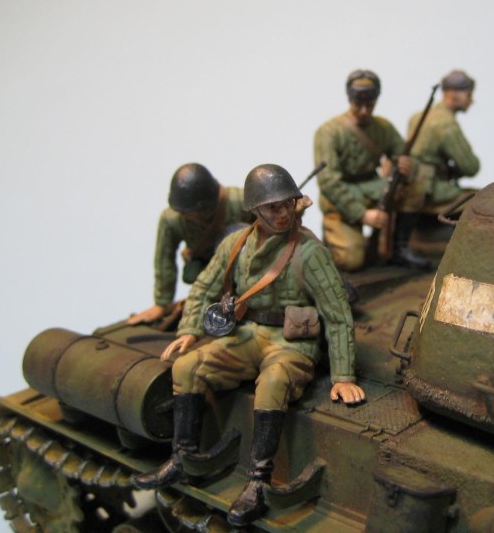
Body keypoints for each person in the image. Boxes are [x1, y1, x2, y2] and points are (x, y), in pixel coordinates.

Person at [133, 164, 365, 527]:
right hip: (248, 333)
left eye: (288, 204)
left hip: (291, 342)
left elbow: (337, 315)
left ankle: (258, 480)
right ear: (255, 210)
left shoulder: (310, 252)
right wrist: (190, 330)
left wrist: (343, 376)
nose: (283, 213)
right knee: (187, 367)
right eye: (272, 207)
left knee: (273, 382)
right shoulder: (235, 244)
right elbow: (204, 286)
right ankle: (182, 455)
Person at [313, 69, 418, 271]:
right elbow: (328, 181)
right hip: (342, 196)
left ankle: (398, 248)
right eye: (357, 104)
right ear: (349, 99)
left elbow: (403, 154)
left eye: (369, 105)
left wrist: (406, 165)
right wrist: (362, 215)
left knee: (416, 187)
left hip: (373, 189)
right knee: (352, 261)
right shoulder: (328, 132)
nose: (363, 111)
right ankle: (332, 241)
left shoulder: (383, 127)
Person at [129, 163, 255, 326]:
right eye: (184, 212)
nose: (187, 216)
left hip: (246, 271)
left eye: (192, 212)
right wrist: (162, 303)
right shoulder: (172, 220)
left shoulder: (240, 202)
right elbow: (164, 260)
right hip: (207, 274)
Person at [398, 69, 481, 262]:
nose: (471, 100)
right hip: (429, 189)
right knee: (483, 198)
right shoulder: (446, 124)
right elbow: (471, 167)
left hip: (411, 188)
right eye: (469, 94)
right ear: (454, 94)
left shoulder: (417, 116)